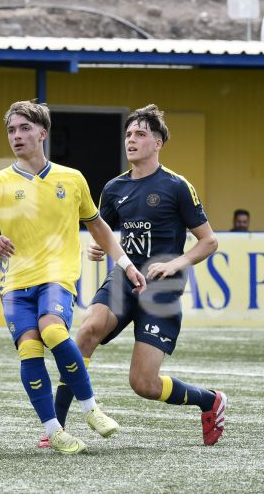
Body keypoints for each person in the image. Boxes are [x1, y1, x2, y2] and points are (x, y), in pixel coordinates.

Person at [0, 100, 147, 454]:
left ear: (42, 133)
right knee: (30, 352)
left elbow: (99, 228)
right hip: (15, 286)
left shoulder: (72, 179)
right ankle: (54, 431)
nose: (16, 136)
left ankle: (91, 409)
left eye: (23, 129)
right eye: (11, 130)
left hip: (57, 276)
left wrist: (126, 263)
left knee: (53, 330)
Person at [50, 104, 226, 447]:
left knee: (144, 384)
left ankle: (210, 400)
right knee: (87, 331)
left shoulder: (177, 187)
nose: (131, 140)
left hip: (163, 290)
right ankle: (55, 427)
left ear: (158, 143)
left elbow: (209, 241)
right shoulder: (114, 188)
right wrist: (97, 246)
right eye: (128, 134)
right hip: (125, 279)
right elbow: (102, 229)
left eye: (141, 134)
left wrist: (175, 264)